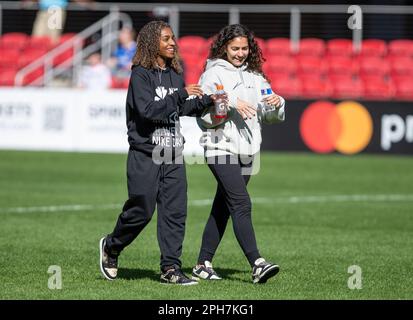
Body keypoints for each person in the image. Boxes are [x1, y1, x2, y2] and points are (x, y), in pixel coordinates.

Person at [99, 20, 216, 285]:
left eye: (173, 38)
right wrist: (180, 96)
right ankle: (112, 246)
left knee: (175, 213)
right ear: (153, 42)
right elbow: (148, 111)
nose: (172, 43)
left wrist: (204, 102)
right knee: (141, 210)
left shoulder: (176, 72)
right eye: (166, 39)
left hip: (173, 153)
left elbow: (178, 109)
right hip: (146, 152)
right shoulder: (140, 74)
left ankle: (171, 269)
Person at [192, 24, 286, 284]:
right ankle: (257, 263)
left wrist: (277, 105)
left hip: (248, 151)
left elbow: (270, 117)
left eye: (245, 48)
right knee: (241, 203)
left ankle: (202, 264)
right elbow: (205, 115)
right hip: (219, 147)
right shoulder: (212, 74)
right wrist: (230, 101)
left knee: (223, 207)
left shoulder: (256, 76)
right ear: (224, 48)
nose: (240, 53)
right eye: (235, 48)